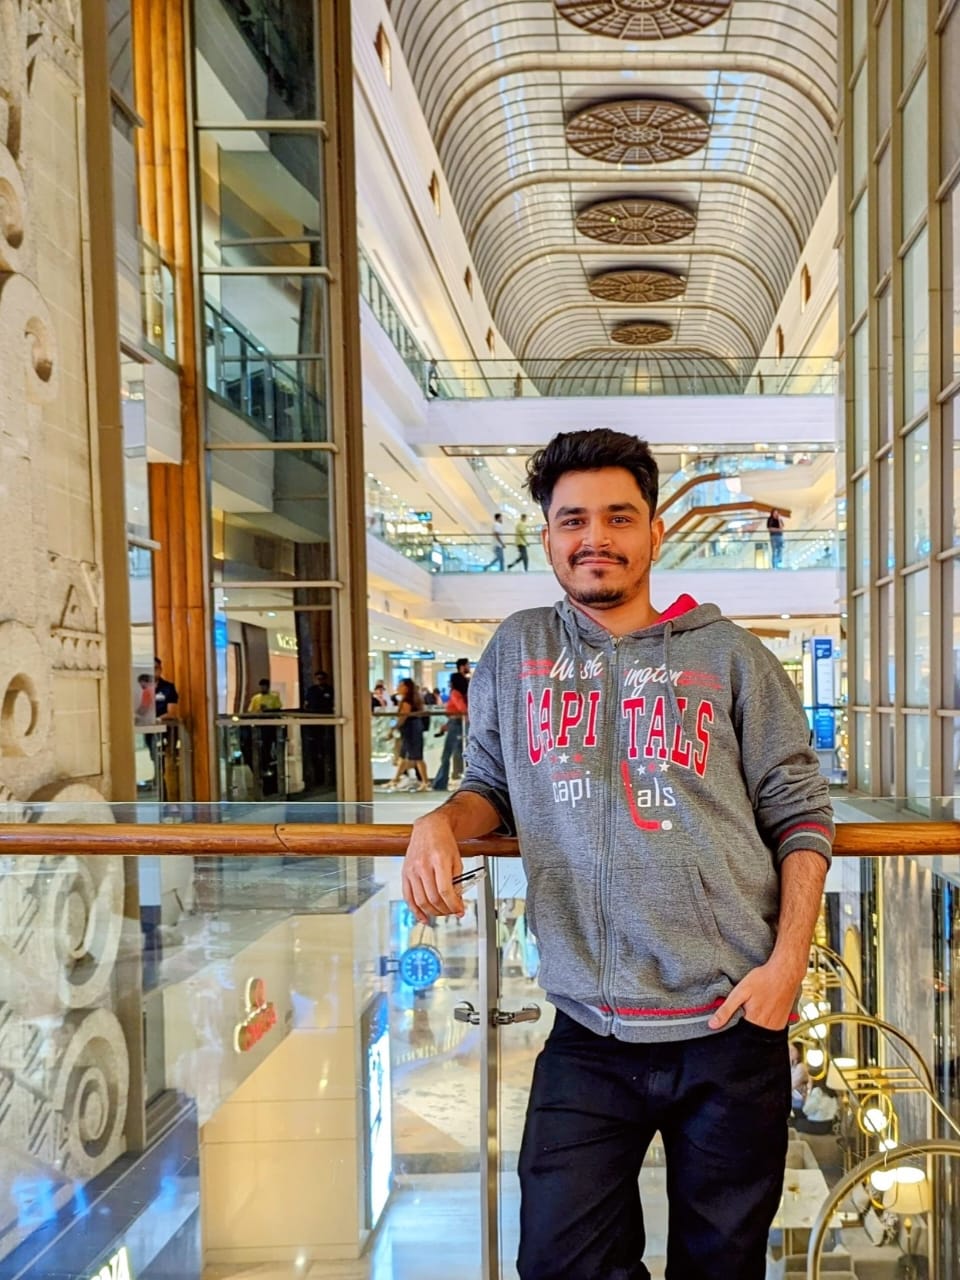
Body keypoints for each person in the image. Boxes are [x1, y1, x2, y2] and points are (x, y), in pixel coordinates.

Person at [401, 428, 833, 1280]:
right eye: (573, 520)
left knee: (723, 1265)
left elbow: (801, 814)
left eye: (618, 517)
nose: (594, 537)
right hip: (589, 1028)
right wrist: (442, 821)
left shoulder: (732, 657)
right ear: (547, 538)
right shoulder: (517, 651)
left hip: (731, 1019)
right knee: (559, 1260)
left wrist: (787, 967)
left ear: (655, 533)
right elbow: (489, 782)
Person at [382, 678, 430, 791]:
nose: (398, 688)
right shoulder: (414, 699)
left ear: (407, 688)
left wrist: (392, 729)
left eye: (400, 685)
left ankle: (425, 782)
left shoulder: (407, 701)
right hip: (412, 729)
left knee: (417, 756)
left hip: (411, 730)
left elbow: (402, 717)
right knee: (403, 756)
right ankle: (396, 779)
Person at [432, 661, 470, 791]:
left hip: (457, 724)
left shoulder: (455, 693)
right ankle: (455, 777)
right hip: (457, 723)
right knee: (458, 752)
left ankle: (441, 782)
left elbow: (462, 709)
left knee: (447, 754)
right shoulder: (464, 693)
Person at [790, 1040, 810, 1111]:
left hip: (798, 1102)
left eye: (792, 1050)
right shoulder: (793, 1066)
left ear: (799, 1052)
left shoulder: (801, 1067)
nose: (790, 1052)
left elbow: (791, 1085)